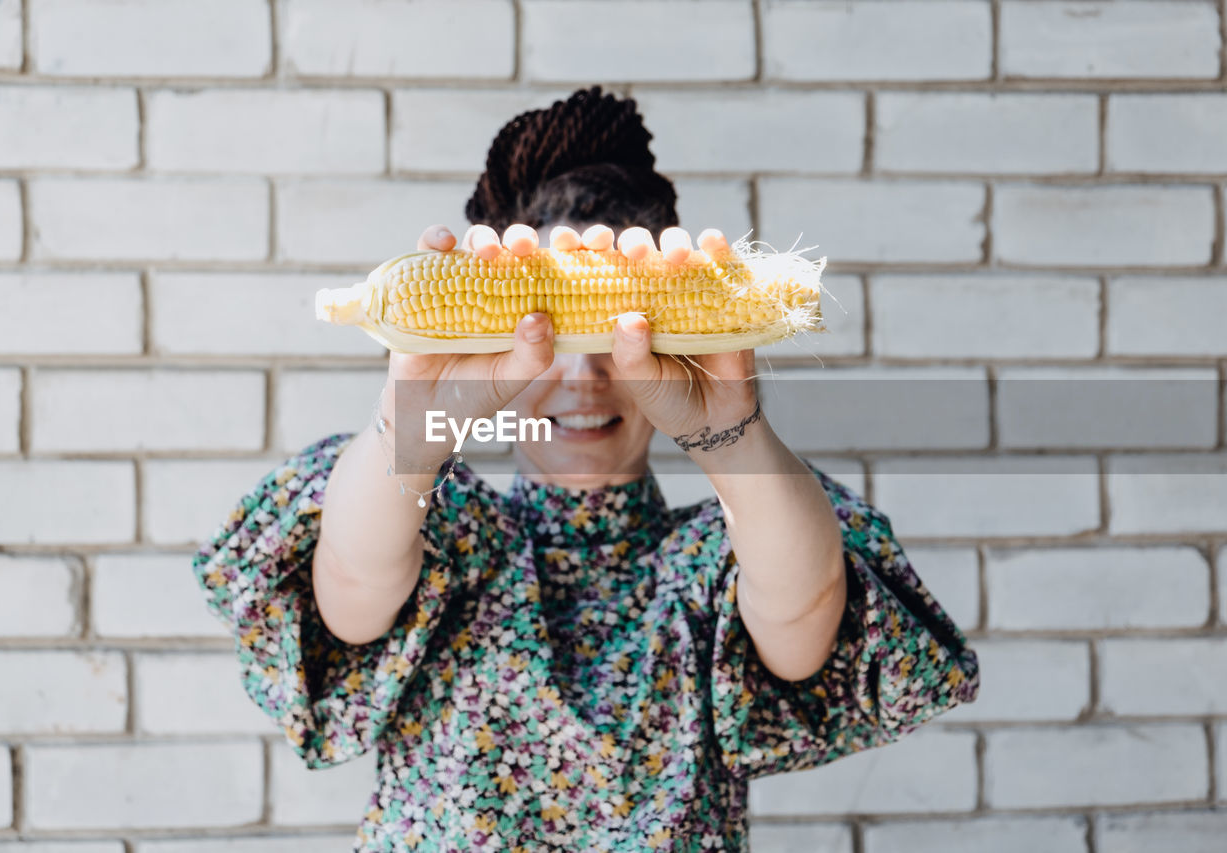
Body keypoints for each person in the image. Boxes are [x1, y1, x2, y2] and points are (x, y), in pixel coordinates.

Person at [193, 86, 979, 852]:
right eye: (553, 337)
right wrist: (412, 426)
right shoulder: (452, 537)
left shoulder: (712, 564)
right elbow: (354, 587)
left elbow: (804, 612)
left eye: (617, 337)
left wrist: (734, 438)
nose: (585, 377)